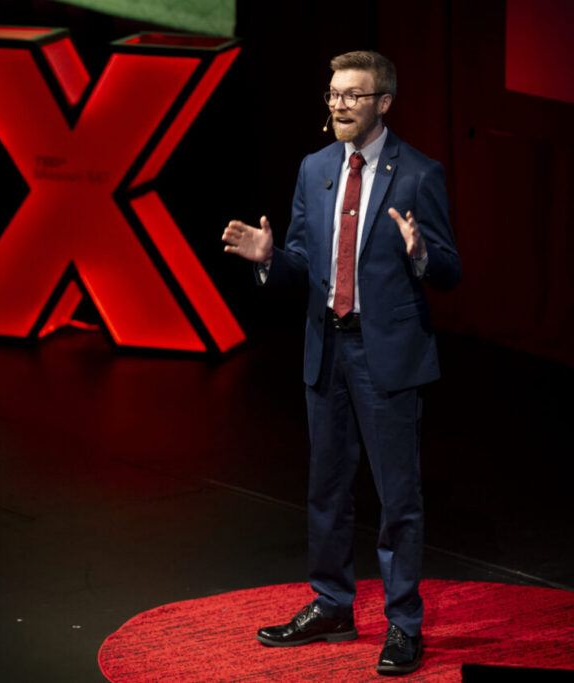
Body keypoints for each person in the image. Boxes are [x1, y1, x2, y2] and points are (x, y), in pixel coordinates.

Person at [221, 50, 461, 675]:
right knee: (326, 489)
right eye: (333, 94)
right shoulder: (315, 167)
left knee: (397, 498)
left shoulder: (419, 174)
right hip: (326, 348)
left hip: (387, 357)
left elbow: (451, 269)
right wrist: (271, 256)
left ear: (383, 102)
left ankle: (404, 625)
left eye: (353, 95)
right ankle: (331, 604)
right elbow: (302, 259)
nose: (339, 104)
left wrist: (420, 254)